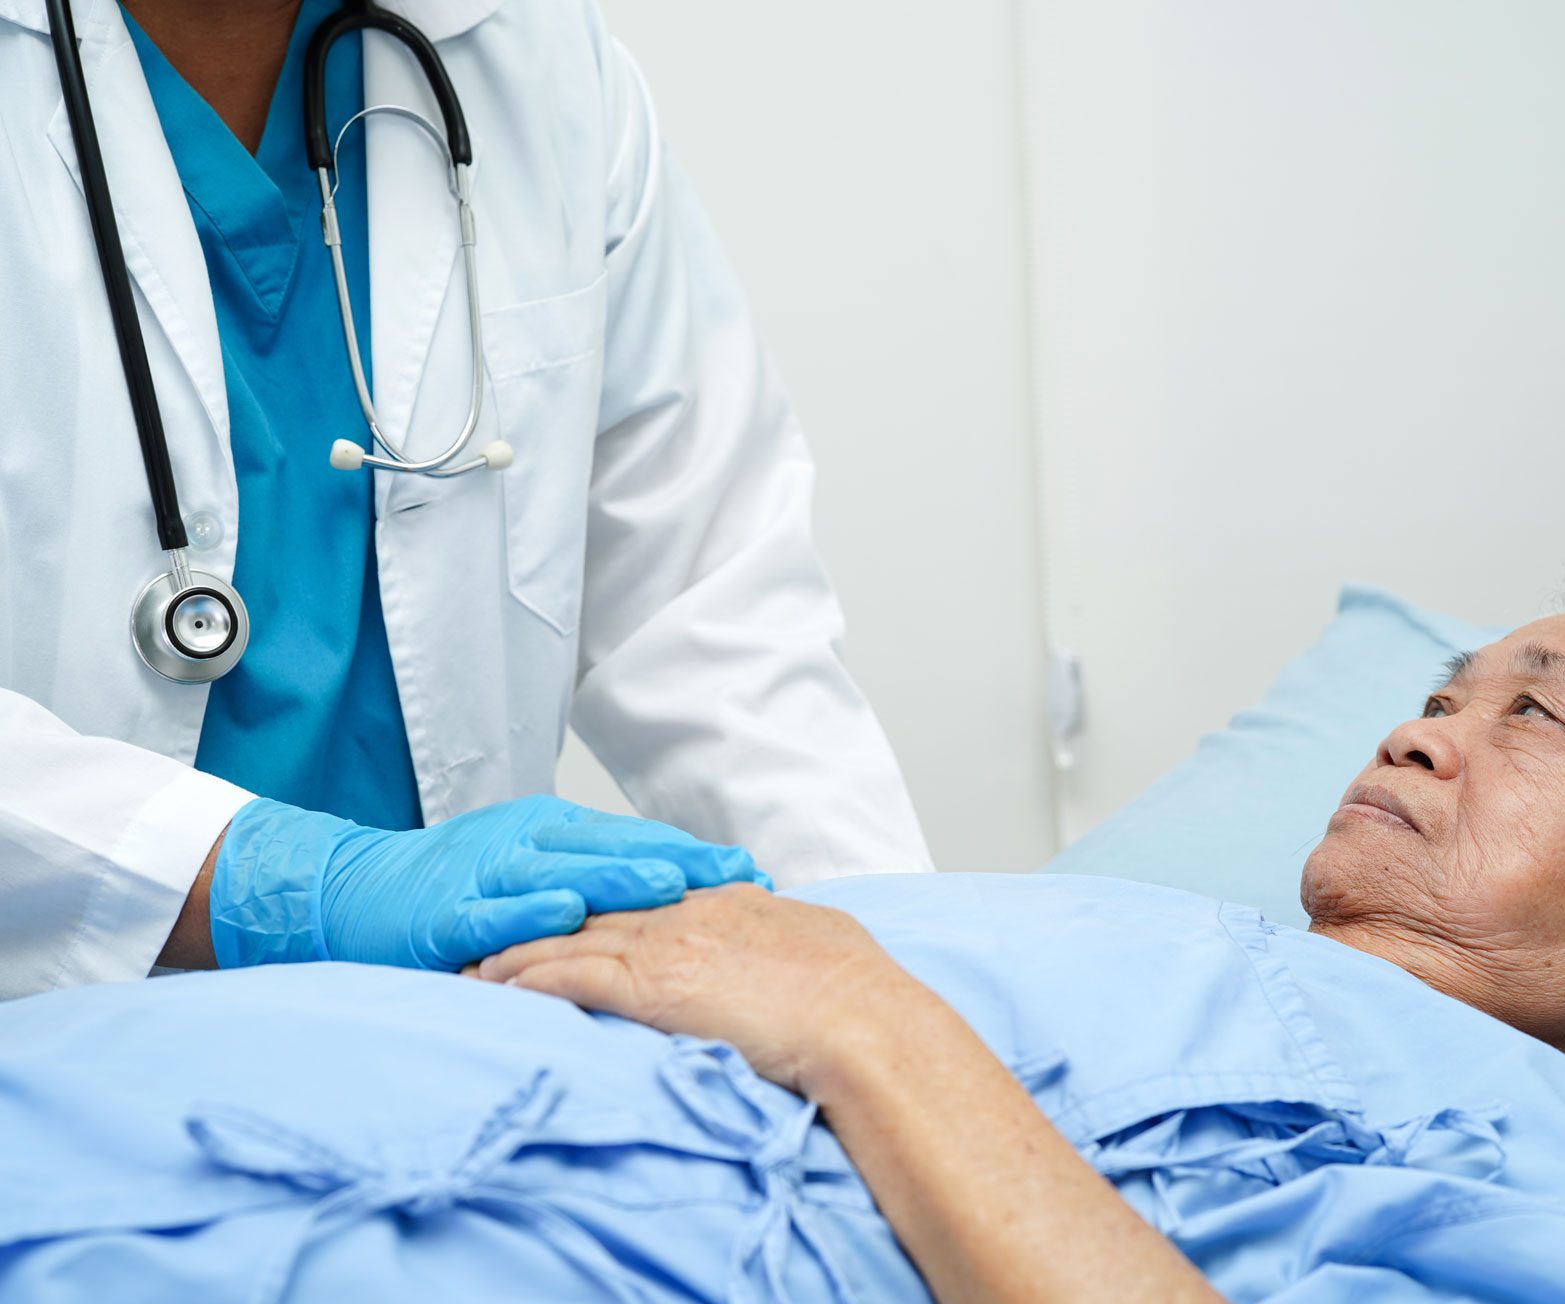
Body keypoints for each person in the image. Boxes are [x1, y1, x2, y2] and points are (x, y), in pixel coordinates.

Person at [0, 559, 1565, 1304]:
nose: (1419, 724)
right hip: (149, 1098)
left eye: (1531, 712)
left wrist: (861, 1014)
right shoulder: (1141, 940)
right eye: (1436, 685)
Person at [0, 0, 929, 1000]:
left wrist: (897, 989)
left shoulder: (537, 59)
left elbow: (709, 619)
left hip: (454, 1037)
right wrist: (268, 878)